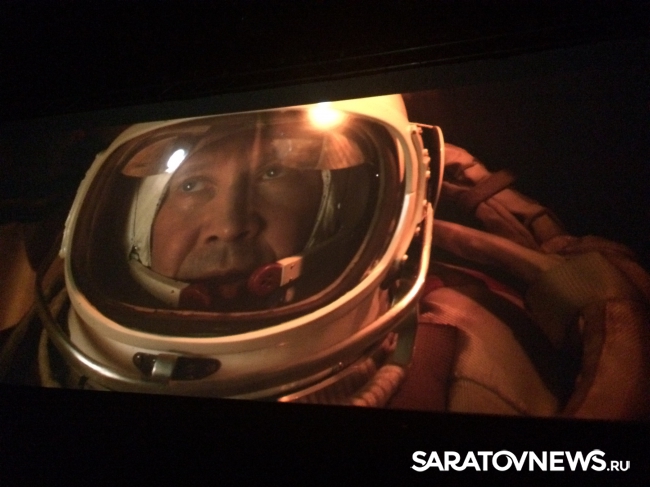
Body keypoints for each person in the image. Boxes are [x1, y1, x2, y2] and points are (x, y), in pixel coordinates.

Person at [1, 94, 649, 418]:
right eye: (192, 185)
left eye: (277, 175)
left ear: (340, 207)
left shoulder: (475, 378)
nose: (229, 224)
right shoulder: (29, 351)